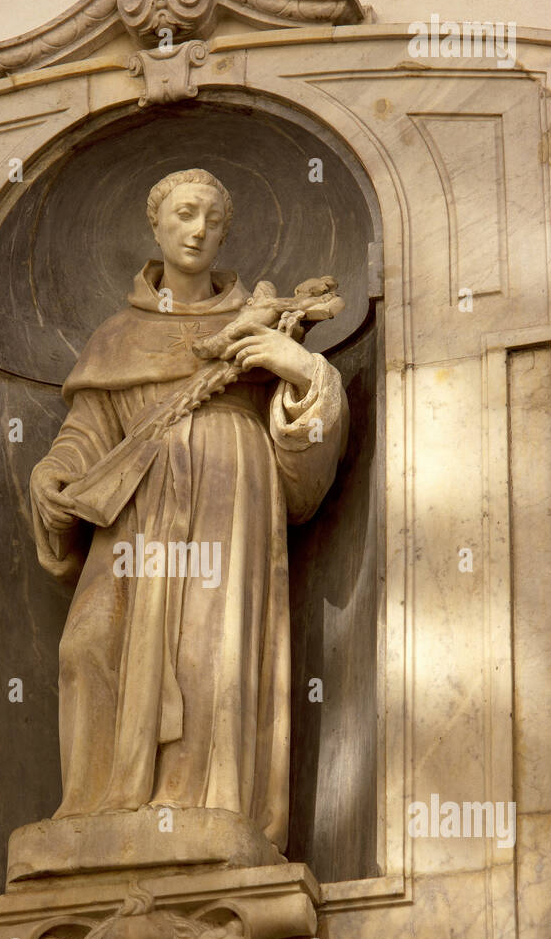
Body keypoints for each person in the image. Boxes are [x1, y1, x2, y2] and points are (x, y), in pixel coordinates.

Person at [29, 168, 348, 852]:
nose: (198, 228)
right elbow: (90, 430)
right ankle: (98, 811)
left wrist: (299, 369)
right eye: (184, 213)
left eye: (211, 217)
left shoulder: (260, 322)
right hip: (138, 504)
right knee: (88, 645)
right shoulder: (117, 336)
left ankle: (209, 806)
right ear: (157, 225)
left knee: (210, 653)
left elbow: (306, 457)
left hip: (229, 498)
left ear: (227, 230)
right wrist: (55, 475)